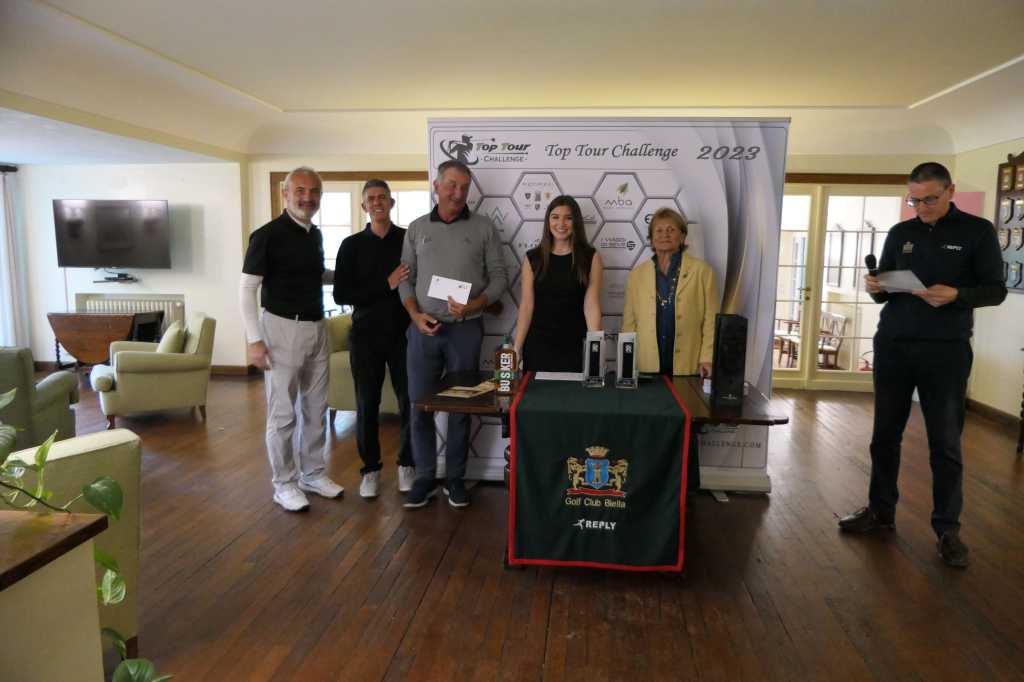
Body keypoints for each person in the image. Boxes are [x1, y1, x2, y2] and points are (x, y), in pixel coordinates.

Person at [838, 162, 1006, 568]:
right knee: (884, 436)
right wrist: (875, 286)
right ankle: (880, 511)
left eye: (930, 199)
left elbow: (996, 290)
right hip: (894, 345)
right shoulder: (901, 233)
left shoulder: (978, 231)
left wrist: (958, 295)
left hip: (945, 351)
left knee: (945, 444)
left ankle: (948, 530)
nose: (922, 207)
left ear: (950, 191)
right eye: (915, 200)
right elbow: (886, 292)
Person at [399, 160, 508, 509]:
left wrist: (475, 304)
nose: (458, 193)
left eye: (464, 187)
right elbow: (405, 279)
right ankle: (424, 477)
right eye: (451, 185)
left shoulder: (484, 227)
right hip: (424, 329)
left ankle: (456, 479)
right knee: (419, 405)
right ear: (436, 186)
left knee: (461, 406)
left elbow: (500, 278)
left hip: (466, 330)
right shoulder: (416, 228)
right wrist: (415, 315)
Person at [239, 166, 344, 512]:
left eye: (314, 192)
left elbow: (315, 275)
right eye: (300, 190)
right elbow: (247, 289)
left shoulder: (314, 235)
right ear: (285, 193)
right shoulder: (266, 235)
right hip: (281, 329)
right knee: (283, 414)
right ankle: (283, 483)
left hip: (317, 327)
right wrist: (254, 340)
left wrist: (354, 275)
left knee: (316, 408)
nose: (307, 198)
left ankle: (312, 474)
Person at [334, 179, 415, 498]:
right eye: (371, 198)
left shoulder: (408, 240)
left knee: (409, 402)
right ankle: (370, 470)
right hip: (365, 337)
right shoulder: (351, 245)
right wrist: (386, 284)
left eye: (383, 197)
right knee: (367, 404)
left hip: (404, 334)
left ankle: (407, 464)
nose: (377, 202)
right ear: (364, 206)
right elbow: (342, 294)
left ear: (391, 203)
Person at [621, 207, 719, 377]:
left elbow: (711, 320)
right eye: (658, 230)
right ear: (651, 240)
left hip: (688, 366)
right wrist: (627, 361)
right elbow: (629, 324)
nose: (664, 235)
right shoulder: (636, 275)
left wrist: (707, 358)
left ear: (682, 237)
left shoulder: (702, 271)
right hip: (646, 367)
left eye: (671, 230)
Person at [514, 196, 603, 371]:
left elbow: (591, 306)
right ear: (548, 221)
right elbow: (526, 306)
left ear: (576, 222)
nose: (561, 223)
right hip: (538, 345)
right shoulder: (532, 258)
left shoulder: (590, 257)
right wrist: (517, 347)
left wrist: (597, 349)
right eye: (555, 217)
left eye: (568, 218)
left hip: (576, 345)